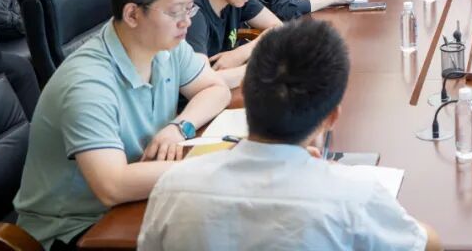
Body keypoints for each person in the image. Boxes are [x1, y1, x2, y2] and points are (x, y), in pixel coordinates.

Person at [138, 20, 442, 251]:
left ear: (245, 91)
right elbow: (429, 243)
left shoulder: (173, 188)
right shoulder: (355, 197)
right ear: (331, 118)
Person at [14, 0, 230, 250]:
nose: (186, 23)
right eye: (175, 12)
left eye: (189, 9)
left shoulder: (166, 46)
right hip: (76, 227)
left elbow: (217, 90)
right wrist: (212, 165)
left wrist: (180, 127)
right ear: (132, 15)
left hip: (137, 195)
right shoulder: (86, 83)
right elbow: (112, 186)